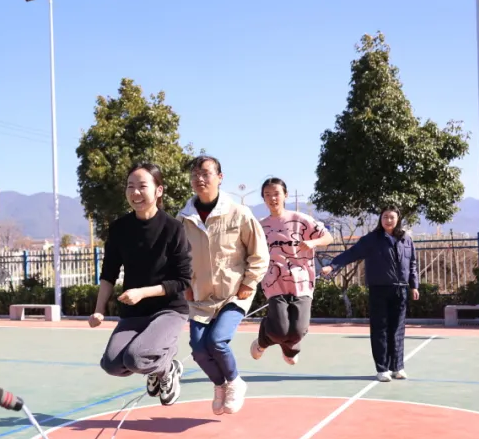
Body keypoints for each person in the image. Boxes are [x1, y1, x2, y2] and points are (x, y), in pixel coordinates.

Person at [91, 163, 192, 405]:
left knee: (136, 358)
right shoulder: (119, 229)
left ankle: (167, 368)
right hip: (134, 312)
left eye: (142, 186)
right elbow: (108, 273)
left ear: (159, 190)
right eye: (130, 186)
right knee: (112, 364)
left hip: (169, 310)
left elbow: (182, 280)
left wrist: (142, 293)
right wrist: (99, 309)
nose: (135, 192)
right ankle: (158, 367)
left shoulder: (174, 228)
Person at [177, 155, 269, 415]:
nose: (199, 179)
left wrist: (249, 283)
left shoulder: (239, 213)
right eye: (195, 174)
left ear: (220, 177)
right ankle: (220, 385)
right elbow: (178, 259)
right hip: (200, 297)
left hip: (234, 294)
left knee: (217, 341)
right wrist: (186, 287)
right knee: (198, 349)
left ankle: (236, 382)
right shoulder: (183, 219)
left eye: (206, 173)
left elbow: (259, 253)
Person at [320, 206, 420, 381]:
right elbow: (351, 253)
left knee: (397, 330)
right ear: (380, 219)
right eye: (385, 217)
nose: (388, 220)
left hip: (400, 289)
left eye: (392, 217)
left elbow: (412, 264)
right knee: (380, 329)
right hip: (379, 289)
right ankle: (382, 369)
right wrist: (332, 265)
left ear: (398, 219)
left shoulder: (406, 239)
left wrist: (414, 286)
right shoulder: (372, 239)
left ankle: (397, 367)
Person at [250, 178, 333, 365]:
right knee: (279, 330)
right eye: (267, 195)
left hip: (302, 281)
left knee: (299, 330)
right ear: (263, 198)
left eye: (276, 194)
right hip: (274, 281)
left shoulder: (301, 219)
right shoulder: (259, 226)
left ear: (285, 195)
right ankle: (263, 341)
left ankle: (289, 348)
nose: (272, 198)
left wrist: (313, 242)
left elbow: (328, 237)